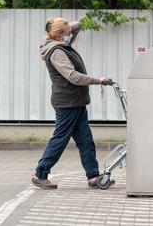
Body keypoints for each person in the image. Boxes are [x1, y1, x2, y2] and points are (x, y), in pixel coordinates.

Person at [31, 17, 114, 189]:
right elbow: (73, 77)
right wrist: (98, 80)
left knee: (85, 140)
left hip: (76, 102)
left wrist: (78, 22)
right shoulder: (56, 52)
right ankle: (40, 173)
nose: (72, 35)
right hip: (67, 103)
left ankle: (93, 176)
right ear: (60, 36)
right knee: (60, 140)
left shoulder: (61, 44)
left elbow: (74, 27)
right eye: (68, 33)